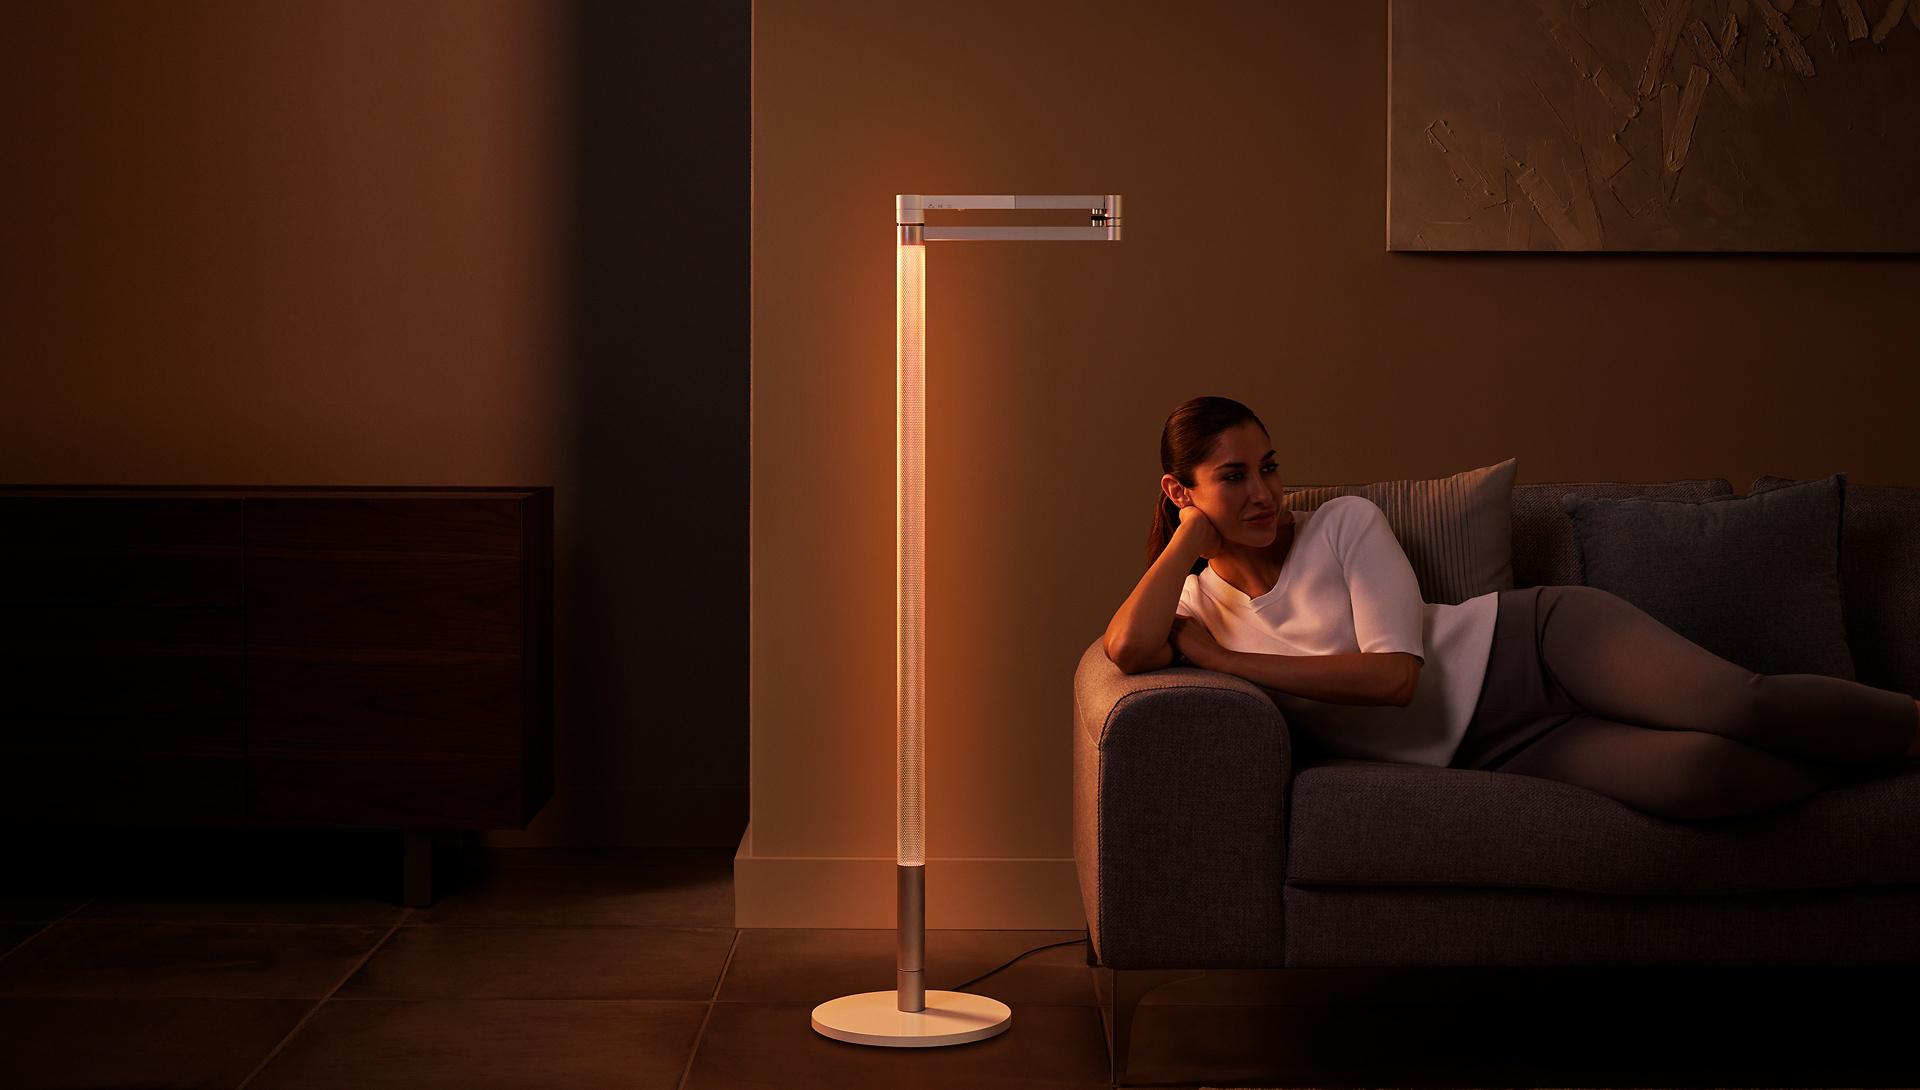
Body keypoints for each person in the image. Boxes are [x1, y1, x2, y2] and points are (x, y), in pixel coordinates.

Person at [1102, 395, 1920, 821]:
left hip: (1538, 643)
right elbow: (1124, 651)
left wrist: (1229, 662)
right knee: (1700, 781)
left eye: (1269, 468)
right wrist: (1184, 546)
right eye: (1234, 476)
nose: (1265, 492)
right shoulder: (1197, 600)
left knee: (1744, 702)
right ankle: (1875, 765)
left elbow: (1395, 679)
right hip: (1502, 745)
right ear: (1182, 491)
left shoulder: (1344, 523)